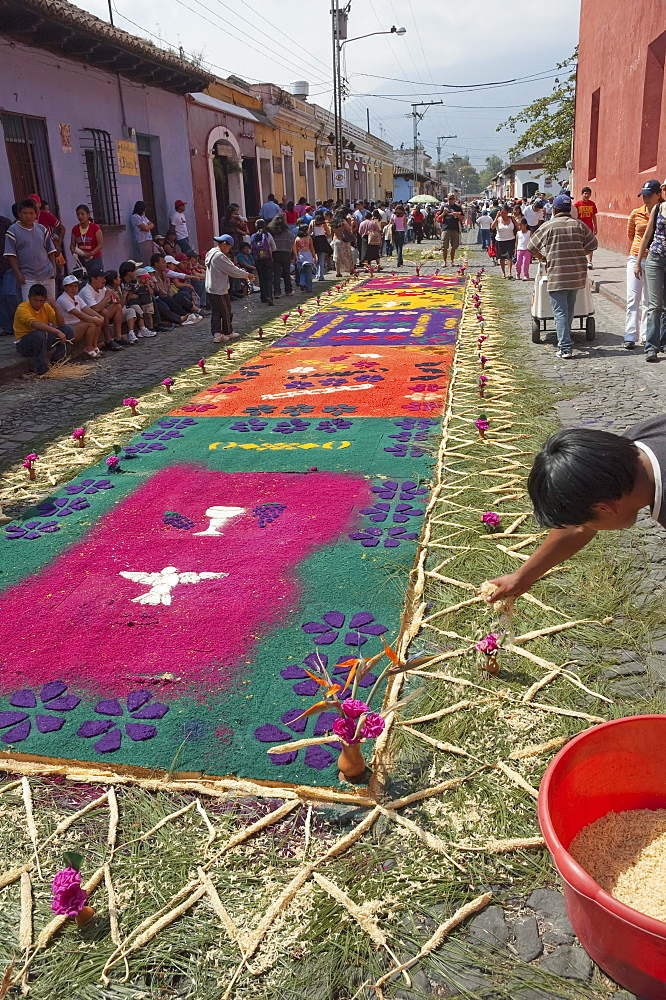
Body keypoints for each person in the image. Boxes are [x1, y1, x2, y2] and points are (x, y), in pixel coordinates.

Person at [487, 420, 666, 606]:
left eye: (586, 521)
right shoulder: (628, 449)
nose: (582, 526)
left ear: (603, 508)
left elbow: (580, 528)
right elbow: (577, 530)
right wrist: (522, 577)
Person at [528, 193, 598, 359]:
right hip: (576, 275)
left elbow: (531, 246)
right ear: (569, 209)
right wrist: (581, 253)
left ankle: (565, 347)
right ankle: (566, 340)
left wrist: (542, 257)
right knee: (569, 310)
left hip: (557, 274)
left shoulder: (548, 226)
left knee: (560, 312)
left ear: (555, 209)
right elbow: (593, 245)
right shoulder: (579, 225)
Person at [625, 180, 662, 350]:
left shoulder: (662, 212)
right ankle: (630, 335)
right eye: (643, 196)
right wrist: (639, 256)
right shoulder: (636, 213)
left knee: (649, 301)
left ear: (658, 194)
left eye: (648, 195)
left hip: (656, 260)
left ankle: (646, 335)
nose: (645, 199)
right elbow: (631, 235)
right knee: (633, 298)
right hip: (636, 258)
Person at [13, 283, 74, 375]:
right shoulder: (22, 308)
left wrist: (55, 306)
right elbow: (35, 324)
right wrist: (56, 331)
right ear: (29, 297)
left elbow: (61, 323)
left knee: (67, 329)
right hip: (24, 343)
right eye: (35, 300)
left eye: (41, 301)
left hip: (42, 338)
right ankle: (41, 369)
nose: (38, 304)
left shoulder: (46, 307)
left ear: (45, 300)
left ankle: (58, 361)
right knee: (39, 334)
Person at [4, 199, 57, 302]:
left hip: (47, 274)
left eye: (31, 213)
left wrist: (53, 267)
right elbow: (11, 255)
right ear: (19, 214)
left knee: (50, 305)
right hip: (27, 277)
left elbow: (50, 250)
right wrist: (18, 273)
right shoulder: (12, 230)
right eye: (25, 213)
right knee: (30, 307)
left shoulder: (42, 229)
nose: (28, 216)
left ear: (36, 214)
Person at [636, 187, 666, 362]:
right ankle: (651, 347)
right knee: (655, 305)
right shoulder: (658, 209)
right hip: (655, 258)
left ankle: (663, 341)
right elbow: (647, 236)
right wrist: (638, 261)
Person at [204, 235, 250, 343]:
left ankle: (217, 333)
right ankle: (227, 331)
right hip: (218, 288)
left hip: (212, 286)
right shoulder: (219, 256)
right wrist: (246, 275)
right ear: (224, 244)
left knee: (217, 311)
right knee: (225, 311)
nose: (228, 250)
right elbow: (232, 270)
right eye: (229, 247)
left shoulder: (211, 252)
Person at [55, 274, 102, 357]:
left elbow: (86, 308)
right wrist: (95, 319)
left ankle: (94, 345)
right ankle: (88, 347)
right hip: (67, 327)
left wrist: (99, 317)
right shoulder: (63, 299)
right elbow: (78, 314)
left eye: (75, 286)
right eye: (71, 287)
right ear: (65, 288)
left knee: (96, 320)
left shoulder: (76, 297)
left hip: (76, 324)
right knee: (91, 323)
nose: (74, 289)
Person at [78, 268, 123, 350]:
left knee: (117, 307)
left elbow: (118, 302)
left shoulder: (102, 288)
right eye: (102, 278)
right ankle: (108, 340)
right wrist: (107, 297)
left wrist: (115, 298)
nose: (104, 280)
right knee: (104, 312)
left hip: (100, 316)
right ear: (93, 279)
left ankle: (118, 337)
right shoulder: (86, 291)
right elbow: (95, 309)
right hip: (86, 317)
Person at [105, 269, 146, 342]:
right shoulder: (107, 290)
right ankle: (118, 336)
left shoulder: (118, 288)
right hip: (112, 312)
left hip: (120, 309)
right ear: (114, 280)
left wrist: (125, 295)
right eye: (117, 278)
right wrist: (124, 295)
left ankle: (131, 332)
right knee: (122, 308)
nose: (119, 279)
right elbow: (118, 304)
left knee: (131, 311)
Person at [70, 204, 104, 276]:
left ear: (88, 215)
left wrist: (90, 254)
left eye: (82, 214)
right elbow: (72, 244)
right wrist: (73, 251)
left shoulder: (95, 227)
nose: (80, 216)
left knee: (97, 280)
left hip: (95, 259)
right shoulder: (75, 229)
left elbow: (100, 245)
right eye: (78, 214)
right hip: (81, 260)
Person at [268, 214, 296, 297]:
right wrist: (294, 254)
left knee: (277, 273)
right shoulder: (288, 232)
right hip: (286, 253)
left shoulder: (271, 232)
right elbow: (292, 241)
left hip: (275, 253)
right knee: (286, 273)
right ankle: (288, 290)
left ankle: (277, 292)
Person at [250, 219, 277, 304]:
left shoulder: (253, 236)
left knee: (261, 278)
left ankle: (263, 297)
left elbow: (251, 248)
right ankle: (269, 296)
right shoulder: (268, 235)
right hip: (267, 259)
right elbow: (274, 247)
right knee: (268, 278)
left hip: (258, 260)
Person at [0, 212, 18, 335]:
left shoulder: (4, 223)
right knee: (1, 298)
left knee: (10, 294)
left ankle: (19, 322)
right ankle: (8, 328)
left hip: (8, 265)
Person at [491, 205, 518, 279]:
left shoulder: (511, 219)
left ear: (508, 213)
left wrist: (513, 218)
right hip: (500, 240)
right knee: (501, 257)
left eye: (505, 213)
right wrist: (496, 217)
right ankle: (503, 273)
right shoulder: (498, 219)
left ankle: (509, 272)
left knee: (509, 257)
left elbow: (518, 227)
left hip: (510, 239)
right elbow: (492, 227)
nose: (503, 215)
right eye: (502, 213)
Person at [574, 187, 598, 269]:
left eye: (588, 194)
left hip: (589, 227)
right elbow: (574, 216)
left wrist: (595, 227)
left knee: (590, 245)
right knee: (580, 245)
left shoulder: (592, 204)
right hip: (580, 228)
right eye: (585, 193)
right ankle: (580, 260)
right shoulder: (577, 205)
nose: (587, 195)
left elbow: (594, 216)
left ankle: (589, 262)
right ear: (582, 194)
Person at [439, 193, 464, 267]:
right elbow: (438, 218)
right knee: (444, 246)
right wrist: (444, 213)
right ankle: (444, 261)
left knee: (454, 246)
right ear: (447, 199)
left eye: (453, 199)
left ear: (455, 199)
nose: (451, 200)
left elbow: (462, 218)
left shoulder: (458, 207)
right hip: (446, 228)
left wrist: (458, 215)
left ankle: (452, 261)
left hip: (455, 228)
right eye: (450, 199)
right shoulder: (444, 207)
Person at [308, 211, 332, 281]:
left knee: (315, 257)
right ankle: (320, 275)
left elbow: (309, 232)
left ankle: (316, 273)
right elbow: (328, 233)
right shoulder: (323, 223)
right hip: (322, 240)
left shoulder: (312, 222)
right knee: (321, 258)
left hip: (315, 240)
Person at [331, 210, 355, 277]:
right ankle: (351, 269)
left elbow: (331, 232)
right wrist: (351, 224)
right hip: (343, 240)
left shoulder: (333, 222)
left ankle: (338, 271)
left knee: (337, 257)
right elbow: (349, 229)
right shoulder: (343, 221)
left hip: (336, 240)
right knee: (348, 255)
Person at [294, 224, 315, 291]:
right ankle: (309, 287)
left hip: (300, 255)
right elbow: (312, 248)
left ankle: (302, 282)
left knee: (302, 271)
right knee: (308, 272)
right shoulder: (309, 238)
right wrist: (314, 256)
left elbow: (295, 248)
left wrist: (296, 256)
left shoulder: (297, 238)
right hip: (308, 255)